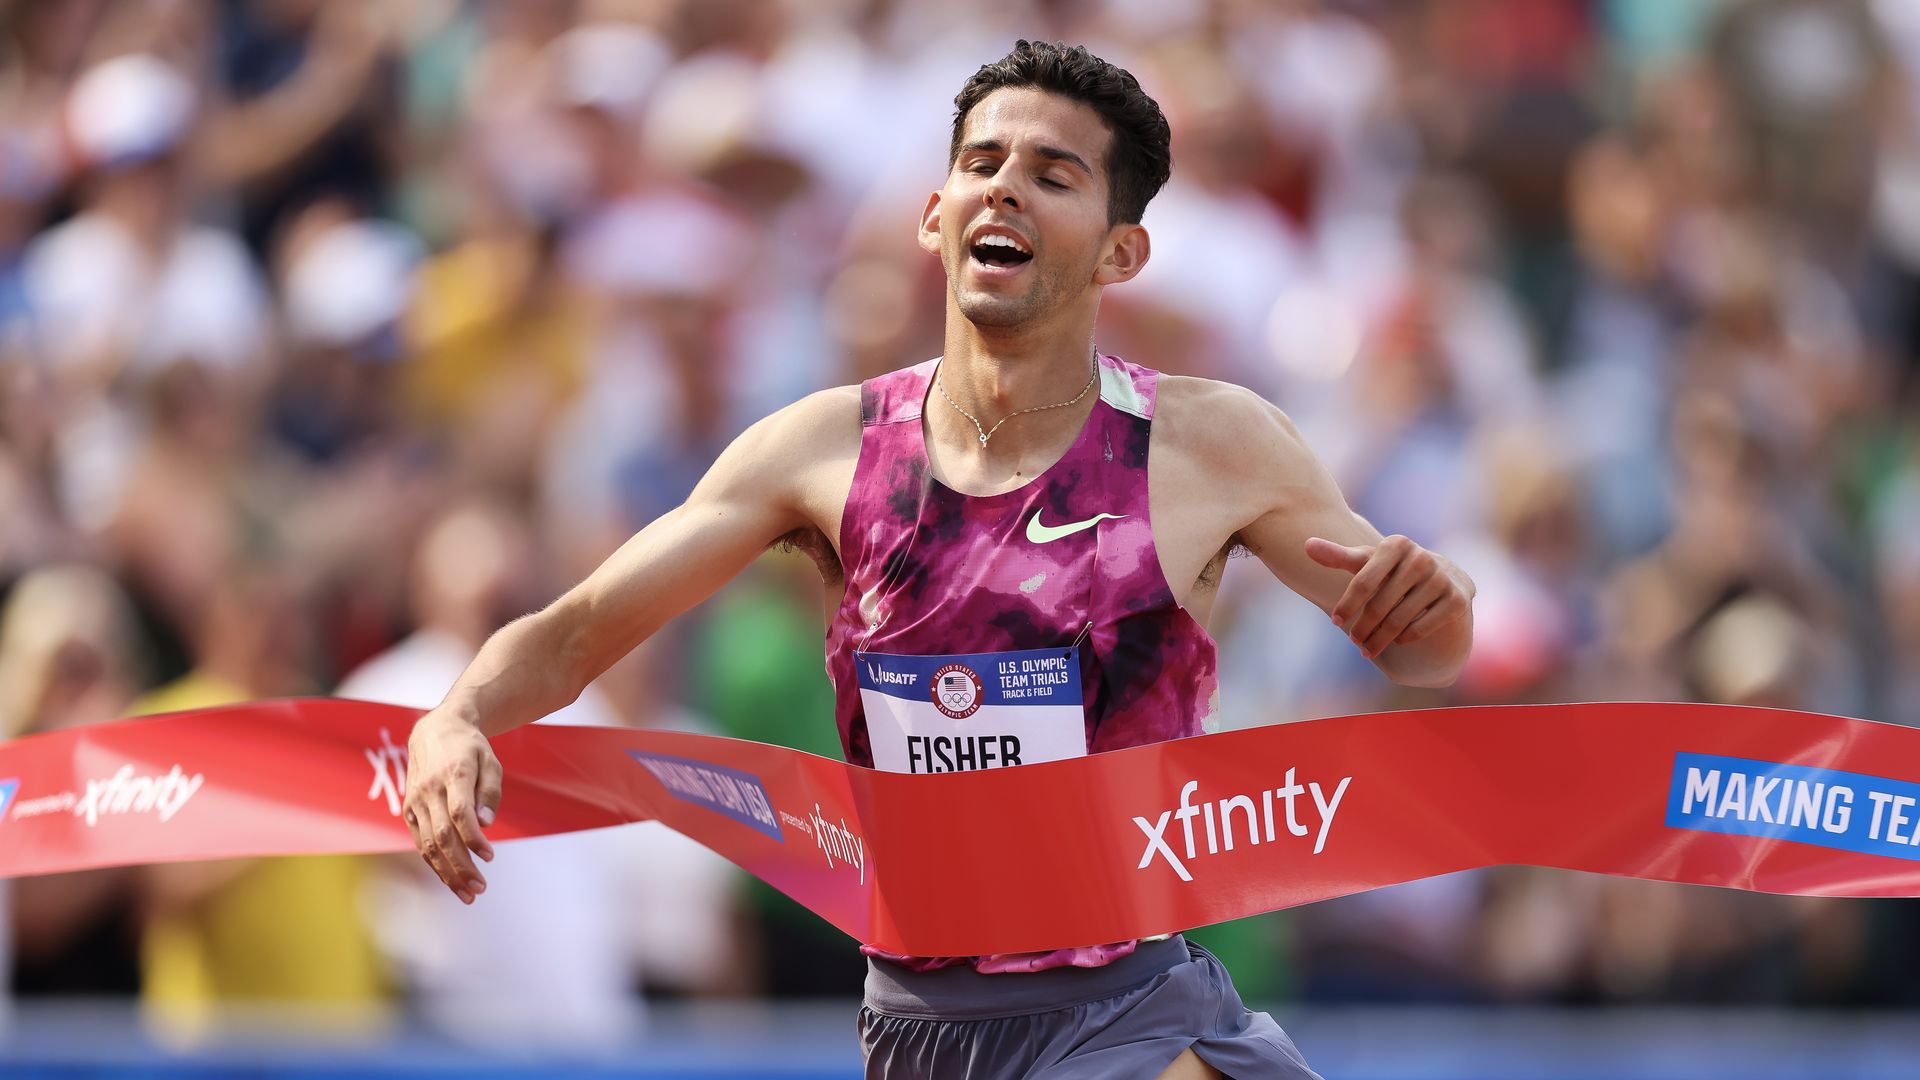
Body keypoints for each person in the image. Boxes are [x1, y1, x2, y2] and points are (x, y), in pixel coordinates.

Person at [403, 40, 1475, 1079]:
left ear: (1119, 252)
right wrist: (457, 719)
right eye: (981, 164)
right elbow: (576, 631)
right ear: (933, 216)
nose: (1005, 189)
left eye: (1052, 175)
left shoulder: (1211, 445)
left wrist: (1445, 602)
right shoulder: (821, 452)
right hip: (919, 1026)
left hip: (1134, 1007)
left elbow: (1423, 650)